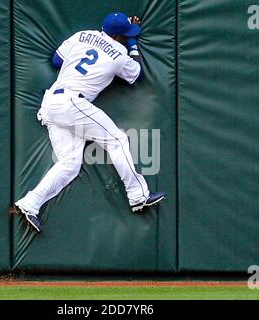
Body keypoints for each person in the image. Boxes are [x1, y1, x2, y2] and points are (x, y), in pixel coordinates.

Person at [11, 12, 166, 233]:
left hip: (51, 103)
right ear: (119, 36)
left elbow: (56, 60)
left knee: (69, 165)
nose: (126, 37)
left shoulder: (83, 35)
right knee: (117, 140)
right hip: (72, 103)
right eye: (124, 35)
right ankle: (138, 196)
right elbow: (136, 75)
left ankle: (30, 204)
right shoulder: (120, 53)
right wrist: (132, 41)